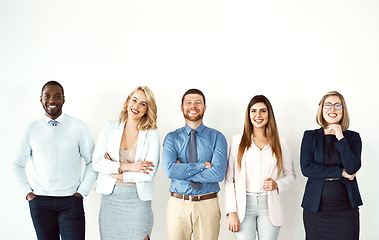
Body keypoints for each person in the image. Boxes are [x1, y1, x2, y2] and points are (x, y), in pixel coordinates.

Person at [10, 81, 97, 240]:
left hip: (71, 201)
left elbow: (92, 162)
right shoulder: (30, 129)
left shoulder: (79, 127)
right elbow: (17, 165)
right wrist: (28, 194)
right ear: (41, 99)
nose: (52, 100)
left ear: (64, 99)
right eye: (47, 96)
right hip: (40, 203)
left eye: (57, 96)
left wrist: (81, 193)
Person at [92, 86, 159, 240]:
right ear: (128, 100)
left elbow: (148, 174)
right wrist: (129, 167)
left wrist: (122, 175)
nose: (136, 106)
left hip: (138, 203)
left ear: (148, 109)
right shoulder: (110, 127)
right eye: (134, 100)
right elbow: (97, 162)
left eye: (143, 103)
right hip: (111, 202)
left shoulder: (152, 133)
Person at [225, 95, 296, 240]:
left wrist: (277, 184)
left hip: (269, 206)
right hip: (243, 206)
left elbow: (291, 175)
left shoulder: (280, 142)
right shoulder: (237, 140)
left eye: (263, 111)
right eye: (253, 111)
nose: (258, 115)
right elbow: (229, 179)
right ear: (248, 114)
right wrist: (231, 211)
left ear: (269, 114)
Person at [162, 88, 228, 240]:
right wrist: (203, 165)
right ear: (182, 107)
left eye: (198, 102)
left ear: (204, 108)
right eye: (188, 102)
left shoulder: (217, 137)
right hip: (178, 204)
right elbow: (170, 171)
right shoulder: (172, 138)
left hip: (207, 203)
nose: (193, 106)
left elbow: (218, 174)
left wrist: (183, 169)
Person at [300, 91, 362, 240]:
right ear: (321, 109)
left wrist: (340, 136)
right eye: (328, 105)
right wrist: (340, 172)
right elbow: (307, 168)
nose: (332, 109)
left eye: (337, 105)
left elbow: (353, 167)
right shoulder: (310, 136)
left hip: (346, 209)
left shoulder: (353, 137)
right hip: (316, 209)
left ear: (343, 110)